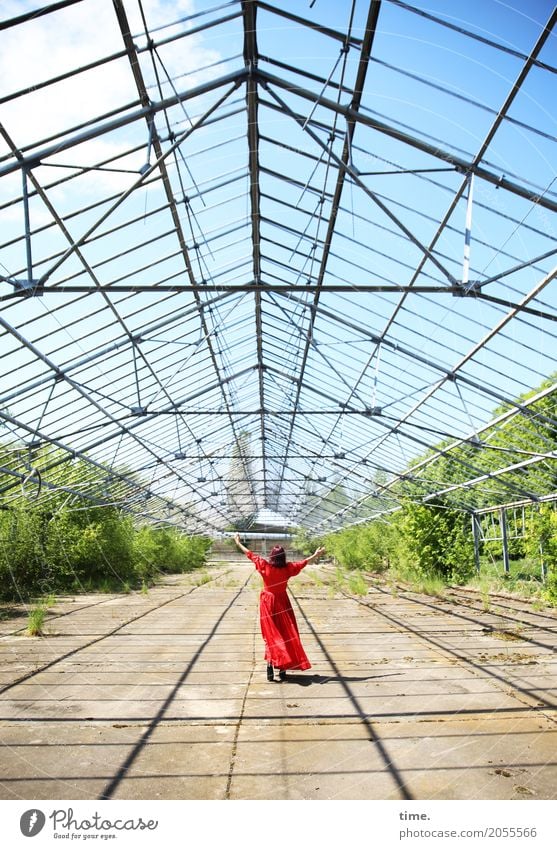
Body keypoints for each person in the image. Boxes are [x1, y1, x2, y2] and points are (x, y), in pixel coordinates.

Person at [234, 533, 326, 681]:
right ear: (283, 557)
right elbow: (303, 562)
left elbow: (250, 554)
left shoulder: (264, 565)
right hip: (282, 602)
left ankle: (270, 665)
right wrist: (316, 554)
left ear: (271, 556)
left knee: (270, 634)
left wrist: (238, 543)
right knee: (284, 633)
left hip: (267, 602)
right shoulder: (288, 569)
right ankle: (283, 668)